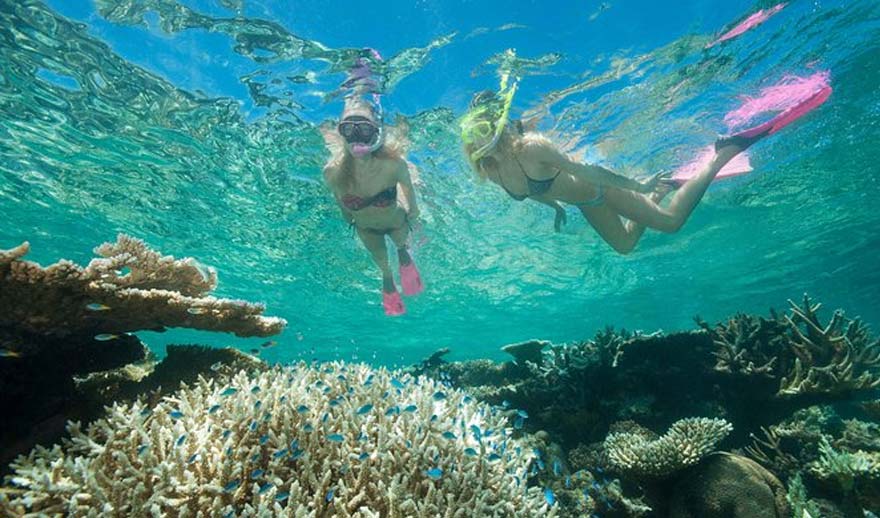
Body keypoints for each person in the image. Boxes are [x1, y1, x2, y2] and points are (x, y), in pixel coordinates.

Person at [460, 77, 827, 254]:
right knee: (624, 247)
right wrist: (556, 207)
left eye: (481, 132)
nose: (476, 144)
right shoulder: (490, 169)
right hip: (586, 203)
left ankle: (724, 152)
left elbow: (586, 171)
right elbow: (530, 192)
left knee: (669, 223)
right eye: (472, 137)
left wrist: (637, 187)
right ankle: (667, 188)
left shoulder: (532, 148)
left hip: (602, 188)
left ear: (497, 126)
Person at [323, 96, 423, 316]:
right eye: (349, 129)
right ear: (341, 134)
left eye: (365, 130)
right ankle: (388, 280)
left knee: (400, 246)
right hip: (366, 229)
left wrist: (413, 215)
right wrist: (346, 215)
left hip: (397, 222)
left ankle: (404, 253)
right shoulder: (332, 171)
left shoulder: (393, 164)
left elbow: (409, 191)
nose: (357, 136)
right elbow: (340, 201)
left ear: (376, 133)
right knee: (384, 267)